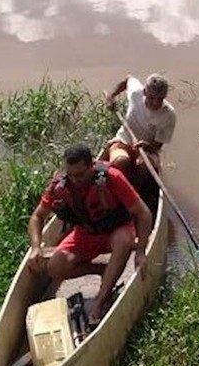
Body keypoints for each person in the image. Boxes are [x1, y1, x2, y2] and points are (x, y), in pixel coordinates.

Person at [27, 144, 152, 325]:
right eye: (71, 175)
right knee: (54, 268)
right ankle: (103, 270)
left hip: (116, 230)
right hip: (86, 233)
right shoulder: (60, 186)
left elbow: (144, 213)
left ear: (92, 166)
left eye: (80, 174)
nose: (76, 180)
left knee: (124, 240)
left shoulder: (112, 177)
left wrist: (140, 251)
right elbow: (37, 217)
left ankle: (100, 300)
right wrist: (36, 247)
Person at [104, 73, 176, 185]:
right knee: (120, 162)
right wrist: (111, 96)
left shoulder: (169, 115)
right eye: (151, 98)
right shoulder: (136, 93)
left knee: (144, 168)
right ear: (144, 92)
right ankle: (118, 187)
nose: (155, 103)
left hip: (147, 149)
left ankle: (134, 191)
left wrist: (146, 145)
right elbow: (127, 79)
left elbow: (158, 144)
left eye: (160, 99)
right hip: (124, 140)